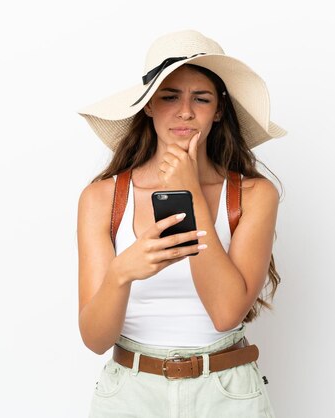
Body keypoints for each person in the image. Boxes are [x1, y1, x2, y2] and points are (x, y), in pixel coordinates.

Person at [76, 29, 287, 418]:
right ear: (148, 106)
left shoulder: (254, 195)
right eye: (169, 96)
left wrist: (190, 193)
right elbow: (94, 338)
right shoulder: (103, 199)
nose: (185, 111)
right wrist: (121, 273)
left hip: (226, 393)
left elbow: (226, 314)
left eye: (201, 98)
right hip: (131, 393)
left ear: (219, 109)